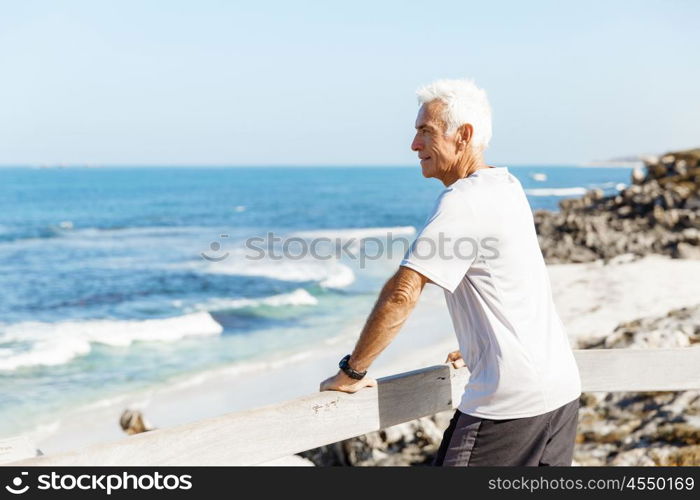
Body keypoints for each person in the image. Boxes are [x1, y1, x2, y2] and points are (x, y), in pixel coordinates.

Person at [320, 78, 581, 466]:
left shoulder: (464, 200)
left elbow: (403, 293)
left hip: (509, 405)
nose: (414, 145)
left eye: (425, 132)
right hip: (559, 393)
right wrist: (482, 344)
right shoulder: (507, 186)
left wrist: (352, 371)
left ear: (464, 135)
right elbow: (512, 282)